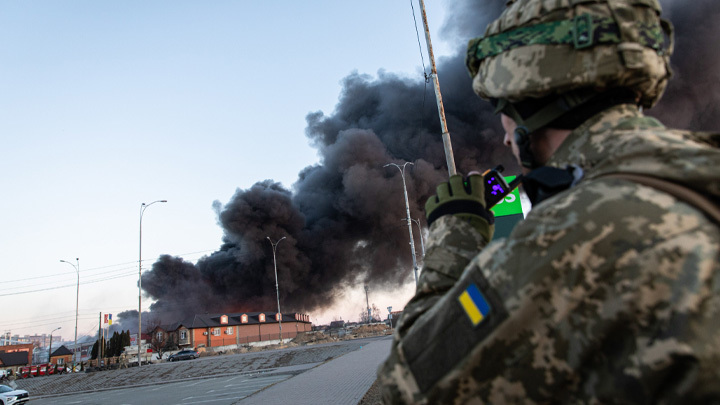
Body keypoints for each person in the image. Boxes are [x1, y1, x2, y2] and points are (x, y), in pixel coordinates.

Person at [378, 0, 720, 403]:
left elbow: (410, 385)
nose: (506, 137)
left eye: (505, 111)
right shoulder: (697, 171)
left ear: (536, 101)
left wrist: (455, 232)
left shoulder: (577, 233)